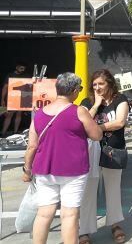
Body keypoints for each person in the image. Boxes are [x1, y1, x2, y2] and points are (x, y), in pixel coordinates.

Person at [22, 72, 103, 244]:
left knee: (44, 213)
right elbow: (96, 135)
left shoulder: (40, 114)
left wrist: (27, 170)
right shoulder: (79, 111)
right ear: (74, 90)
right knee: (70, 214)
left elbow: (32, 146)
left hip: (44, 169)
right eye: (79, 89)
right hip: (73, 170)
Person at [79, 69, 129, 244]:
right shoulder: (87, 102)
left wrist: (97, 128)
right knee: (88, 191)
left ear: (109, 84)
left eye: (101, 84)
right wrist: (95, 105)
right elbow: (80, 122)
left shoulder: (120, 100)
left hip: (112, 150)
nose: (97, 88)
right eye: (94, 84)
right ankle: (84, 231)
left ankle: (115, 224)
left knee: (113, 189)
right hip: (90, 152)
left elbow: (120, 122)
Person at [1, 60, 29, 136]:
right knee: (9, 115)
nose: (22, 70)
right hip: (11, 98)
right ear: (17, 67)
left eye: (23, 68)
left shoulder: (25, 76)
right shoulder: (10, 75)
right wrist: (2, 99)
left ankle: (15, 131)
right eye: (21, 68)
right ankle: (3, 132)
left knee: (19, 114)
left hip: (21, 98)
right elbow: (5, 88)